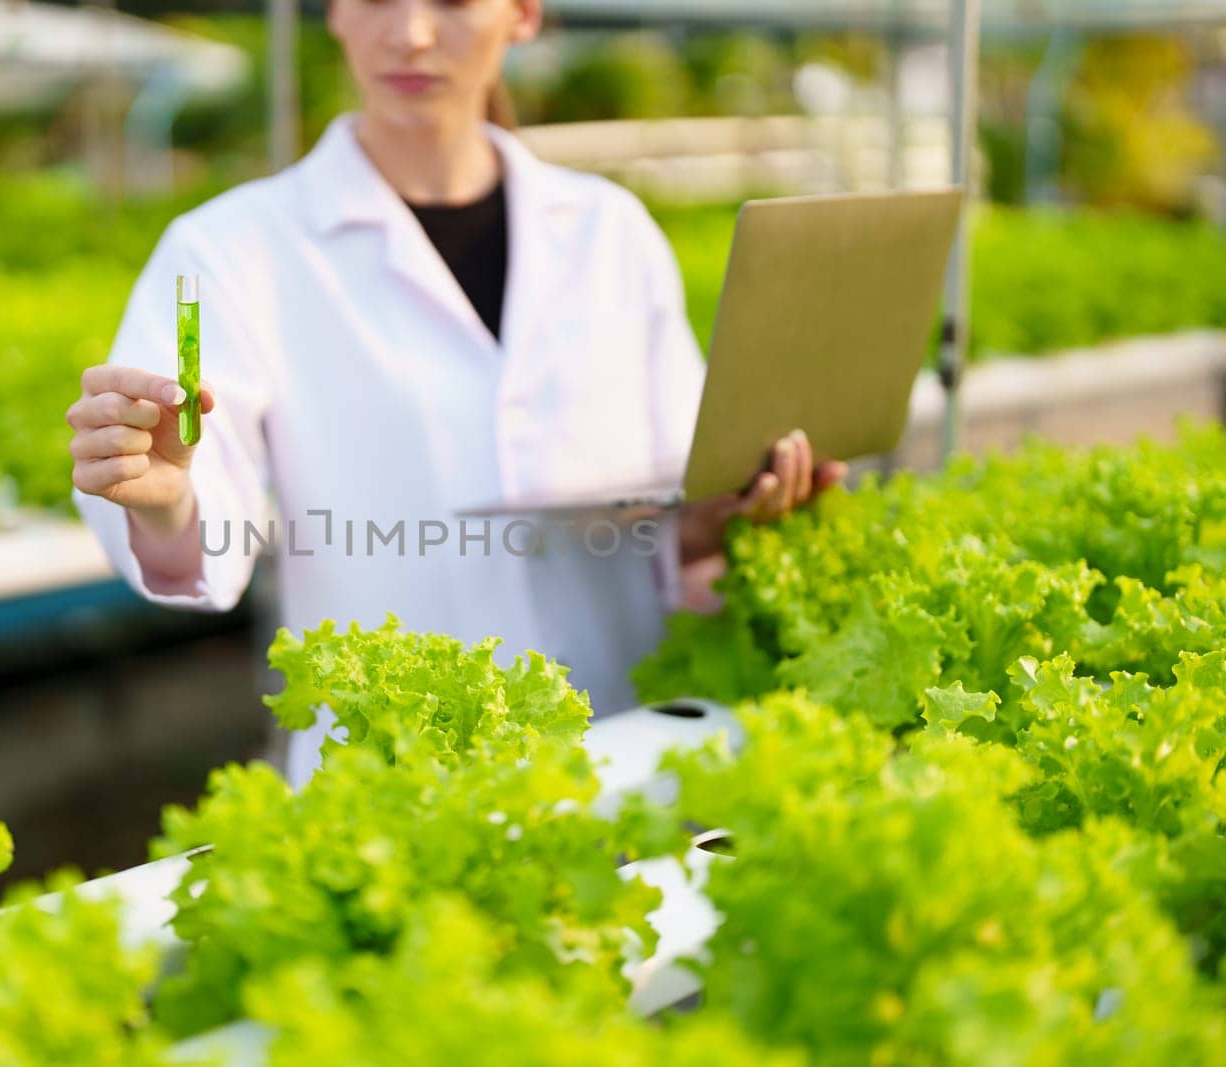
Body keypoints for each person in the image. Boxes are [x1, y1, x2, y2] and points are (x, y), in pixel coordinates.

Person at [66, 0, 844, 786]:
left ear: (525, 14)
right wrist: (162, 499)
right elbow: (201, 528)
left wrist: (728, 512)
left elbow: (669, 512)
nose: (411, 33)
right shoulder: (226, 252)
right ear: (334, 12)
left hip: (624, 760)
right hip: (393, 783)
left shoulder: (612, 232)